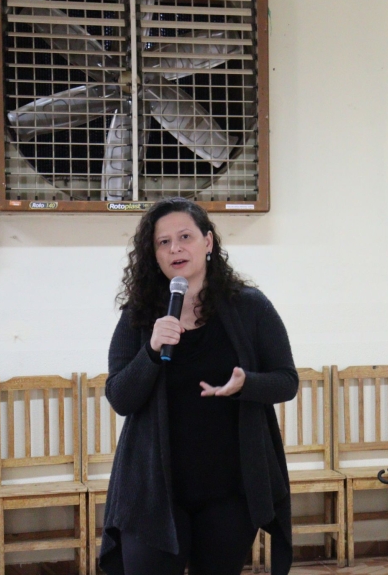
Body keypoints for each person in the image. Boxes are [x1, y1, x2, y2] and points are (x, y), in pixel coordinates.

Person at [99, 197, 298, 575]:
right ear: (153, 254)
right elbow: (120, 397)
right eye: (163, 242)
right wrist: (152, 349)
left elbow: (286, 382)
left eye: (185, 236)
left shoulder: (250, 307)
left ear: (208, 242)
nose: (175, 248)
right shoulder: (140, 314)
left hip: (229, 489)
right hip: (154, 490)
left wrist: (246, 384)